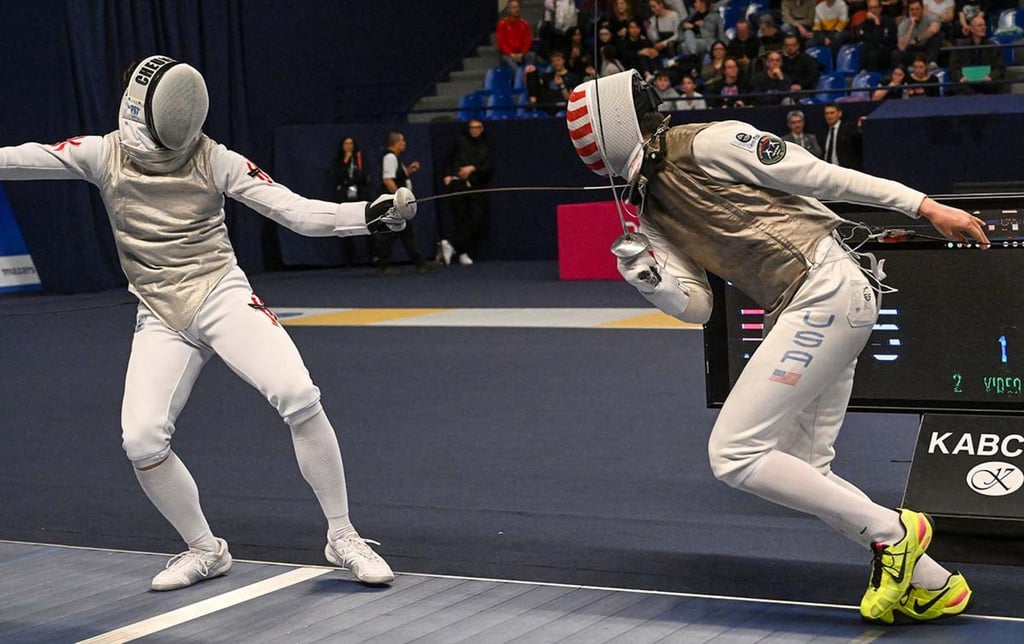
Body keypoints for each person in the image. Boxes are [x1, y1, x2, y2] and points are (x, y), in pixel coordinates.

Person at [566, 69, 986, 626]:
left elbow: (820, 176)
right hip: (808, 304)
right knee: (803, 466)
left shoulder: (709, 141)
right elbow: (697, 306)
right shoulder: (647, 210)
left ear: (607, 128)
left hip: (826, 283)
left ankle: (895, 532)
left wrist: (924, 207)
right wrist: (645, 275)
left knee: (734, 454)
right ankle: (935, 585)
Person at [0, 55, 412, 590]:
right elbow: (16, 159)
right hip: (160, 313)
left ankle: (342, 535)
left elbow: (298, 213)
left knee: (297, 392)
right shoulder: (102, 153)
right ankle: (205, 549)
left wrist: (369, 215)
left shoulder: (212, 158)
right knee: (142, 440)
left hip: (220, 294)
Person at [373, 131, 431, 275]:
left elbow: (396, 176)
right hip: (394, 203)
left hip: (397, 203)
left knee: (405, 233)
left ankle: (419, 262)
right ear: (396, 143)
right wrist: (399, 199)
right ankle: (383, 263)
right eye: (402, 141)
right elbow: (388, 180)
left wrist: (408, 171)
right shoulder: (390, 157)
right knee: (392, 233)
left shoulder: (396, 158)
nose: (404, 143)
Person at [440, 119, 493, 266]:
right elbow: (447, 159)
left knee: (477, 218)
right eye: (472, 128)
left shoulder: (485, 146)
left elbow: (488, 166)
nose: (475, 130)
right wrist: (447, 175)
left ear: (482, 129)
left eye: (478, 127)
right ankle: (463, 252)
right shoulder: (459, 141)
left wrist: (472, 168)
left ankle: (452, 243)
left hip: (476, 186)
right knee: (460, 219)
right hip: (458, 185)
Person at [948, 12, 1006, 95]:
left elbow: (1000, 68)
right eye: (979, 25)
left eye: (984, 25)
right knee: (958, 87)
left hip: (986, 82)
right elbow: (953, 68)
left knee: (993, 85)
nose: (983, 28)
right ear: (971, 29)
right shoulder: (960, 47)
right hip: (966, 82)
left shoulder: (993, 46)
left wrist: (990, 77)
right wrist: (961, 77)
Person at [334, 136, 370, 266]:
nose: (349, 146)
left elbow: (363, 175)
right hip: (344, 196)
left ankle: (368, 256)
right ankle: (350, 258)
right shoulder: (338, 160)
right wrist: (345, 160)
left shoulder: (359, 158)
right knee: (345, 226)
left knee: (364, 224)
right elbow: (338, 175)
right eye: (346, 143)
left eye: (351, 143)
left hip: (359, 194)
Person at [893, 0, 943, 68]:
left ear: (922, 9)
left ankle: (930, 63)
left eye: (917, 9)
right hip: (913, 50)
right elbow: (901, 47)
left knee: (935, 37)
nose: (914, 12)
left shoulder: (930, 17)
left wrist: (917, 39)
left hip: (926, 49)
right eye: (912, 9)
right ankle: (909, 68)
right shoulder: (904, 24)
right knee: (896, 54)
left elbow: (934, 29)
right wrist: (911, 26)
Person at [855, 0, 898, 71]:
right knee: (867, 48)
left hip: (887, 54)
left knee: (871, 53)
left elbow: (880, 42)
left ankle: (863, 71)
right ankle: (864, 72)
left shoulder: (889, 22)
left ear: (880, 9)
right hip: (872, 54)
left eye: (875, 8)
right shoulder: (865, 24)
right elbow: (868, 41)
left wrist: (876, 22)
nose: (873, 10)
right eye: (870, 8)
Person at [497, 0, 535, 76]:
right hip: (508, 55)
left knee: (531, 55)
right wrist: (511, 54)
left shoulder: (524, 24)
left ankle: (529, 78)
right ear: (508, 9)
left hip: (522, 54)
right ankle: (520, 80)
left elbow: (527, 42)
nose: (517, 9)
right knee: (508, 60)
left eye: (518, 7)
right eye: (514, 7)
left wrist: (522, 53)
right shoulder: (502, 24)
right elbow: (501, 43)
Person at [822, 102, 863, 170]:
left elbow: (857, 141)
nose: (829, 116)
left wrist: (860, 129)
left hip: (845, 171)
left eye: (832, 113)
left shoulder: (849, 129)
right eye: (827, 113)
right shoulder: (823, 132)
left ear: (839, 113)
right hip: (827, 171)